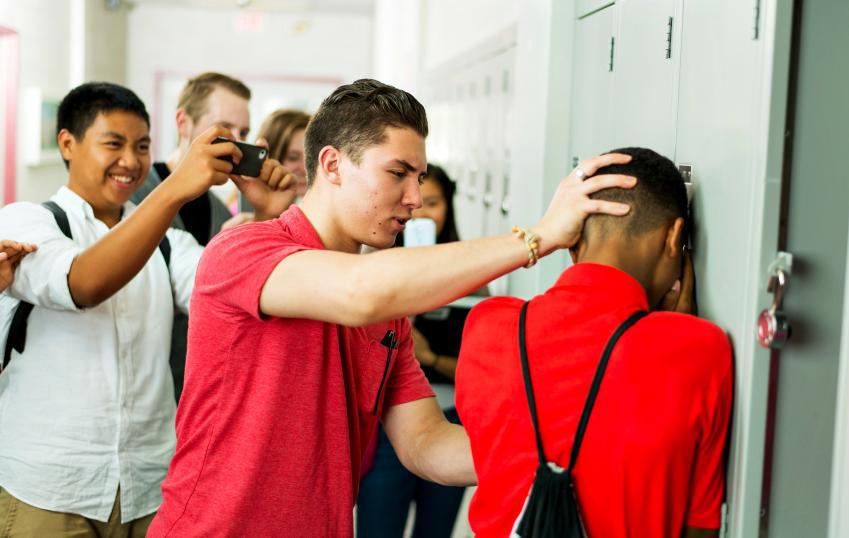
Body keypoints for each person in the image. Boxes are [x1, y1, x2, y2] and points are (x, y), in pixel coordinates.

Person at [147, 78, 637, 538]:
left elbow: (426, 443)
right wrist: (540, 237)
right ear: (333, 165)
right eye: (398, 173)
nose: (415, 198)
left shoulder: (388, 314)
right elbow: (358, 292)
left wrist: (559, 448)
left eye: (419, 177)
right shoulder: (244, 251)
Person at [0, 82, 292, 537]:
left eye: (141, 147)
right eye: (113, 144)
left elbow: (241, 301)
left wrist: (268, 220)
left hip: (149, 489)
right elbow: (82, 284)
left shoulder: (171, 247)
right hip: (49, 490)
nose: (131, 162)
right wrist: (175, 188)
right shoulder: (28, 222)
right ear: (67, 144)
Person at [455, 147, 733, 538]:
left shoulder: (487, 325)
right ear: (674, 238)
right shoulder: (702, 348)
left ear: (571, 242)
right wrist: (673, 331)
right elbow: (700, 526)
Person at [131, 71, 295, 400]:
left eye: (244, 132)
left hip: (194, 391)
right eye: (224, 129)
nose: (237, 143)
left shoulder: (222, 212)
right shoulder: (134, 197)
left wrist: (266, 216)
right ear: (183, 122)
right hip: (139, 388)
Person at [357, 164, 474, 537]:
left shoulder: (471, 280)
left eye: (435, 202)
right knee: (378, 526)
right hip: (387, 427)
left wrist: (431, 359)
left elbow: (477, 374)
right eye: (415, 203)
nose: (422, 211)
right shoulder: (371, 274)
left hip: (452, 419)